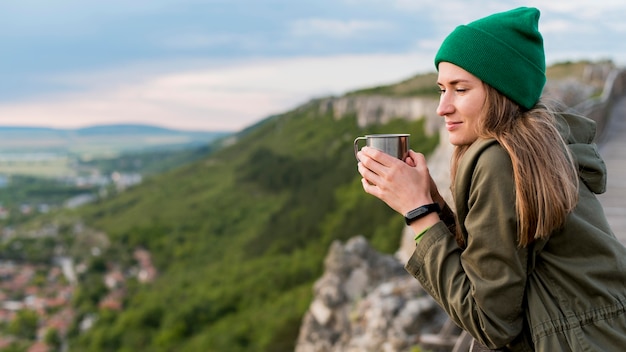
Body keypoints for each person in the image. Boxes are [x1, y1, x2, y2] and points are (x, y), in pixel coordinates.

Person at [356, 7, 626, 351]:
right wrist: (435, 204)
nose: (442, 107)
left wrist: (418, 213)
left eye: (460, 89)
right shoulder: (535, 147)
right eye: (441, 89)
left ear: (502, 92)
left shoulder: (500, 160)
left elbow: (491, 321)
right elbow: (502, 253)